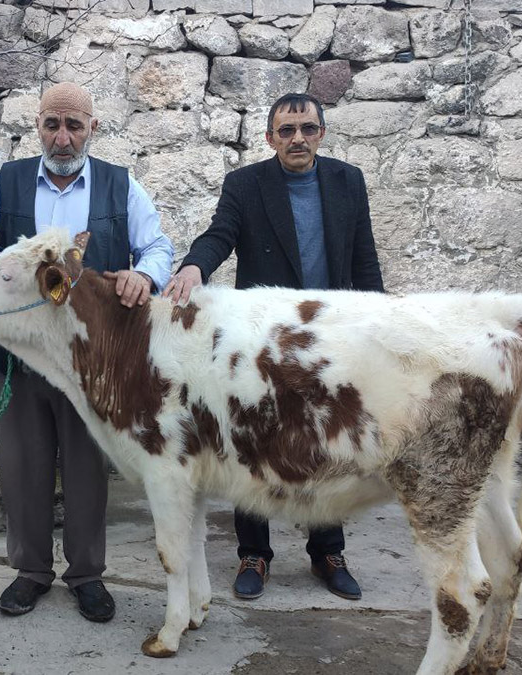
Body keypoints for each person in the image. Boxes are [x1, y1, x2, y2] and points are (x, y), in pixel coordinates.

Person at [164, 92, 384, 602]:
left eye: (307, 128)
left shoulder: (347, 182)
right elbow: (220, 234)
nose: (297, 138)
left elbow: (364, 257)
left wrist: (379, 320)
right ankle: (253, 554)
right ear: (270, 138)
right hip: (264, 341)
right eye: (286, 130)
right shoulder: (246, 184)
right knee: (255, 440)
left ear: (321, 133)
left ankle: (328, 552)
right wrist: (195, 267)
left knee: (327, 442)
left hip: (329, 337)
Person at [0, 82, 174, 623]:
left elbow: (157, 247)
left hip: (91, 362)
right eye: (52, 125)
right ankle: (30, 571)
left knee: (87, 469)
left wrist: (143, 276)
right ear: (37, 125)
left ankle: (86, 575)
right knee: (22, 466)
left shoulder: (120, 185)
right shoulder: (7, 182)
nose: (62, 138)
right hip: (19, 356)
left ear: (92, 128)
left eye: (74, 126)